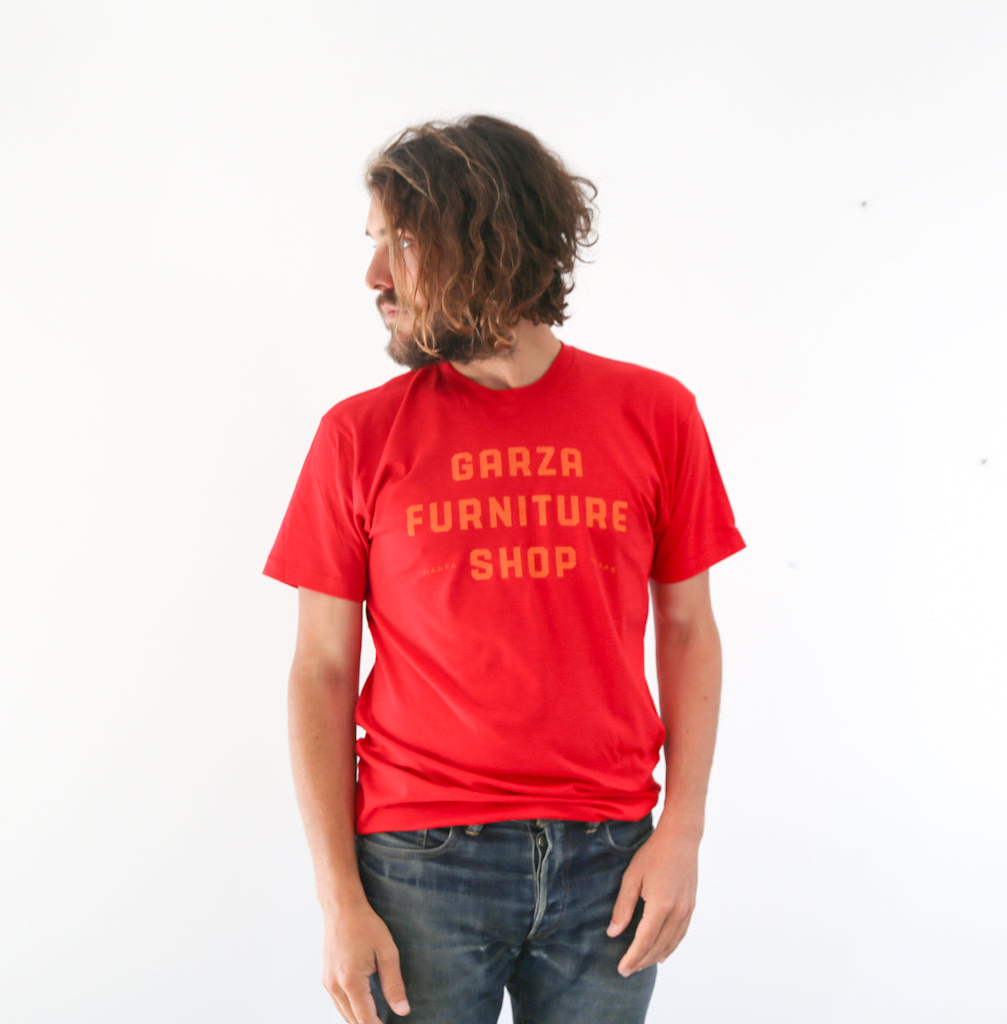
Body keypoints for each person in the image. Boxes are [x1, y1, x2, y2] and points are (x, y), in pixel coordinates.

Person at [264, 114, 745, 1024]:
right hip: (419, 865)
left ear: (487, 242)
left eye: (403, 243)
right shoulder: (356, 437)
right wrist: (338, 899)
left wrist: (682, 831)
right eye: (374, 243)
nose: (374, 276)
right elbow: (320, 669)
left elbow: (688, 627)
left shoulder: (656, 413)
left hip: (611, 860)